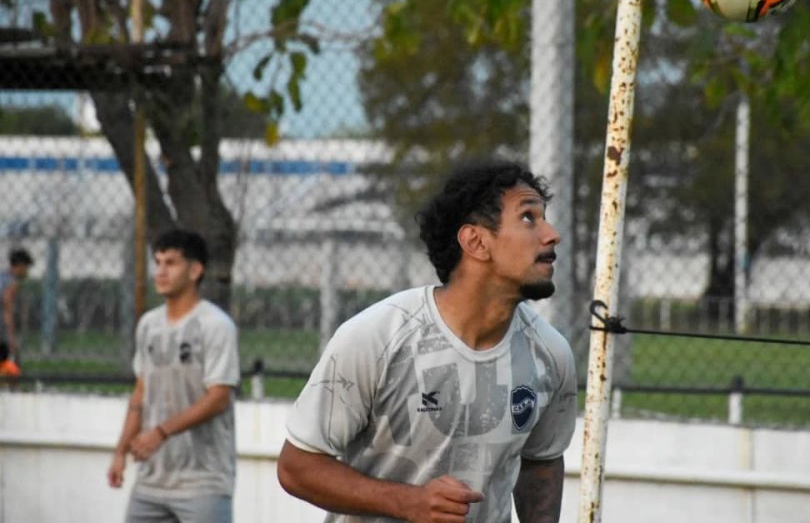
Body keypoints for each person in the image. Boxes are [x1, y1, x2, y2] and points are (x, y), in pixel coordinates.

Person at [277, 159, 578, 523]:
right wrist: (407, 502)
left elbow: (540, 464)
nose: (552, 234)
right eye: (529, 218)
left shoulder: (550, 353)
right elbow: (297, 467)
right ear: (476, 241)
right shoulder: (378, 336)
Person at [107, 229, 241, 523]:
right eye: (157, 262)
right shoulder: (148, 326)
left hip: (203, 481)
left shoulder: (215, 326)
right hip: (151, 481)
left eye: (171, 263)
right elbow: (141, 393)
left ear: (195, 270)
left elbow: (219, 397)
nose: (161, 271)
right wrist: (120, 452)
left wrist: (161, 432)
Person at [1, 247, 34, 362]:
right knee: (12, 366)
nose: (27, 272)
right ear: (19, 265)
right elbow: (7, 310)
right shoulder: (12, 283)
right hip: (2, 333)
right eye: (26, 267)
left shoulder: (2, 277)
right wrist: (11, 338)